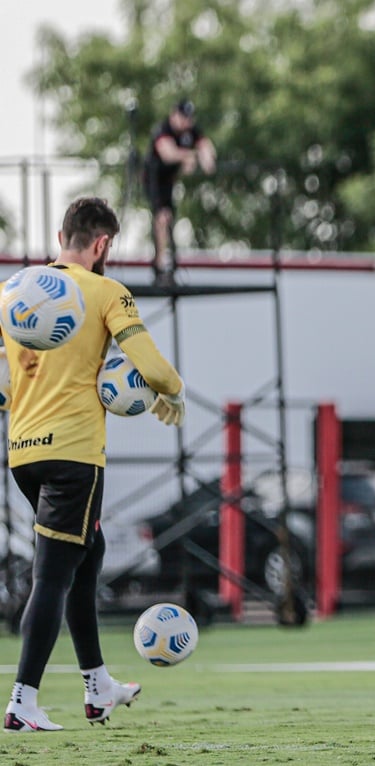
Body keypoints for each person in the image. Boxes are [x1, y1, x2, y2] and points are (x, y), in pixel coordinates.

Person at [3, 197, 187, 733]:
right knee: (53, 575)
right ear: (102, 243)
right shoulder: (107, 291)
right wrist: (170, 392)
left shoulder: (11, 293)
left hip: (24, 454)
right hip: (74, 457)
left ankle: (97, 685)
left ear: (63, 236)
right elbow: (151, 364)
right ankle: (22, 701)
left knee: (89, 551)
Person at [142, 99, 217, 286]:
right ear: (174, 115)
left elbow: (205, 144)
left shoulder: (191, 132)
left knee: (169, 220)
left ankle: (169, 263)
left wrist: (206, 158)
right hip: (153, 179)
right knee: (162, 217)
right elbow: (168, 153)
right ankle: (159, 264)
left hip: (169, 182)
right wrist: (190, 156)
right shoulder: (164, 129)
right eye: (183, 117)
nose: (186, 122)